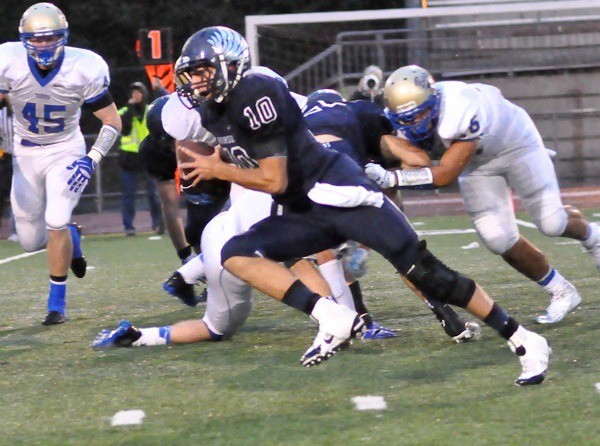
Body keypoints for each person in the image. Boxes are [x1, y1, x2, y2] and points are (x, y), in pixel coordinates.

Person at [174, 26, 549, 385]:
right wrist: (223, 157)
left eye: (204, 71)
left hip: (340, 192)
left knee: (429, 274)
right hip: (306, 210)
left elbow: (275, 180)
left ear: (232, 64)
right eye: (191, 74)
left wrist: (217, 168)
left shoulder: (257, 92)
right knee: (236, 252)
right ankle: (332, 317)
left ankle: (524, 339)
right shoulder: (214, 111)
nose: (196, 81)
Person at [364, 65, 599, 324]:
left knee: (552, 222)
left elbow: (445, 175)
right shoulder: (401, 122)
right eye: (406, 119)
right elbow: (412, 165)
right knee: (498, 239)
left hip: (517, 145)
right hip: (478, 164)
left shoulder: (460, 107)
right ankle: (561, 291)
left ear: (434, 99)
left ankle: (593, 237)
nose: (414, 124)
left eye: (420, 115)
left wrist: (393, 177)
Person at [302, 88, 480, 342]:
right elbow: (415, 163)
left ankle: (346, 322)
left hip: (308, 180)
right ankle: (448, 318)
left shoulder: (299, 119)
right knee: (405, 253)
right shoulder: (360, 112)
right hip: (350, 179)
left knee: (322, 252)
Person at [93, 188, 347, 348]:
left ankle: (184, 275)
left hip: (219, 227)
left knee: (293, 256)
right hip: (226, 255)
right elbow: (303, 265)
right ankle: (138, 337)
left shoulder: (283, 177)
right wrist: (334, 315)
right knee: (216, 329)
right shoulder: (308, 200)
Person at [0, 3, 122, 325]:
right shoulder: (7, 61)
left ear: (63, 37)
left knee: (55, 219)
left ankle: (56, 304)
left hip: (65, 149)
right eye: (35, 39)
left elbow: (112, 121)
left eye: (50, 38)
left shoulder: (84, 67)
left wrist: (92, 159)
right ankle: (73, 237)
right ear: (23, 39)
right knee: (29, 241)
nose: (42, 46)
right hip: (24, 153)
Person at [117, 81, 163, 236]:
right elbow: (125, 129)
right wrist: (130, 108)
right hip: (129, 159)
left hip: (147, 156)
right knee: (128, 195)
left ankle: (158, 224)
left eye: (139, 92)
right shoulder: (123, 111)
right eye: (133, 93)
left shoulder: (149, 110)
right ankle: (128, 226)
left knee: (154, 193)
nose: (135, 95)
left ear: (144, 94)